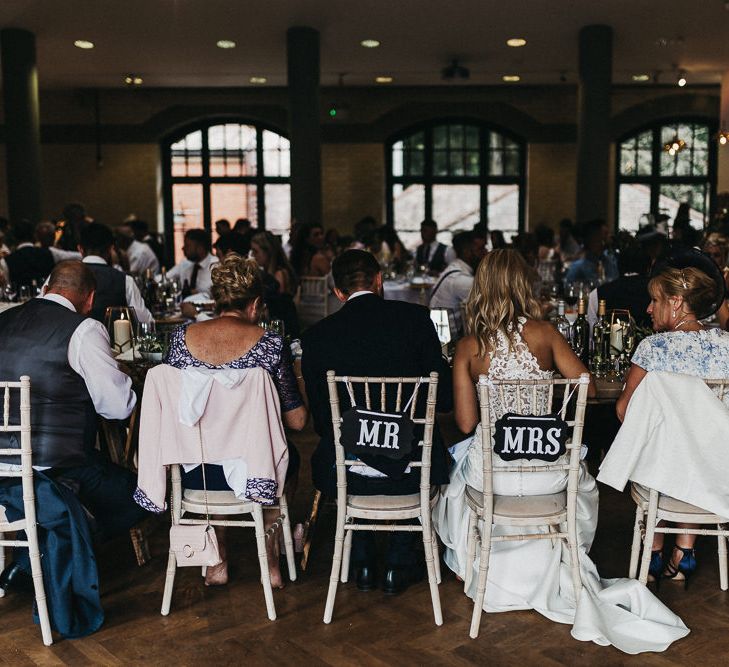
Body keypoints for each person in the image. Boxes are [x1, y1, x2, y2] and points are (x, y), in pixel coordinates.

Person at [433, 249, 688, 653]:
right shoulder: (546, 333)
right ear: (523, 286)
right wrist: (544, 405)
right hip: (547, 469)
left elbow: (465, 424)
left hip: (495, 472)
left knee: (458, 475)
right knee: (576, 474)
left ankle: (496, 576)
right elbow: (583, 385)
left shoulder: (468, 347)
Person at [301, 249, 453, 595]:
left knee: (347, 442)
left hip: (347, 470)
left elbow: (323, 423)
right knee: (403, 443)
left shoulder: (318, 336)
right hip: (413, 467)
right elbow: (442, 399)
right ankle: (399, 562)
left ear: (338, 293)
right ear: (379, 281)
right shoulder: (416, 320)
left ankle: (363, 559)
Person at [0, 260, 149, 588]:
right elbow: (117, 407)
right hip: (58, 467)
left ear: (44, 287)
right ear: (91, 299)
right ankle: (49, 549)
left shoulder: (3, 320)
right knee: (145, 495)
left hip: (2, 471)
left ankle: (37, 547)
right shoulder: (83, 330)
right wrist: (123, 379)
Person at [162, 254, 307, 587]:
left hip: (196, 473)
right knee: (284, 457)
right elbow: (297, 421)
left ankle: (218, 560)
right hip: (257, 474)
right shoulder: (270, 344)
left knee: (219, 447)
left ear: (215, 301)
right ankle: (269, 556)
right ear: (256, 305)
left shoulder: (181, 340)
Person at [616, 264, 729, 583]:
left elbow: (625, 410)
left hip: (664, 472)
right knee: (699, 447)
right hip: (715, 469)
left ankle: (652, 553)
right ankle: (684, 553)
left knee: (663, 447)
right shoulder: (726, 344)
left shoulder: (653, 348)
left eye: (655, 300)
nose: (649, 308)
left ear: (676, 302)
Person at [77, 222, 153, 324]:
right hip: (112, 340)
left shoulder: (59, 277)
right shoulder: (125, 280)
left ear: (80, 249)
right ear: (111, 249)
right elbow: (146, 322)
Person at [587, 241, 652, 329]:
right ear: (648, 268)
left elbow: (592, 332)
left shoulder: (598, 293)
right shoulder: (657, 292)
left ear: (619, 266)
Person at [429, 230, 485, 332]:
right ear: (466, 251)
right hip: (447, 340)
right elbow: (490, 309)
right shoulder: (461, 279)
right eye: (480, 249)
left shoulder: (454, 268)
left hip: (440, 331)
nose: (485, 252)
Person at [166, 228, 219, 299]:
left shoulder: (216, 266)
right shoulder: (185, 263)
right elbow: (166, 278)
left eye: (187, 246)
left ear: (200, 248)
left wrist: (200, 293)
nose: (183, 248)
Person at [0, 220, 55, 288]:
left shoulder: (5, 261)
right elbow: (71, 255)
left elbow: (7, 287)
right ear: (34, 236)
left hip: (19, 298)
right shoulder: (51, 253)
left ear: (14, 238)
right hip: (46, 297)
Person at [564, 219, 618, 285]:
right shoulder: (578, 267)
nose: (610, 237)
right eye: (605, 234)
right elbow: (568, 288)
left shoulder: (611, 263)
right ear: (593, 237)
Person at [251, 230, 297, 296]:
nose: (253, 255)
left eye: (256, 251)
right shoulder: (267, 272)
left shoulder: (279, 274)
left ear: (268, 251)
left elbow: (278, 302)